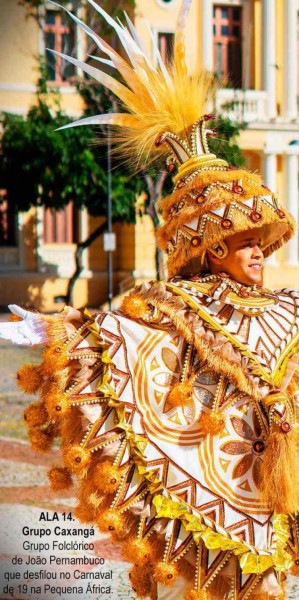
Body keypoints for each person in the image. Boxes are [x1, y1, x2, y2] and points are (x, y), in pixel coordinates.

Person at [1, 1, 299, 598]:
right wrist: (53, 332)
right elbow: (124, 334)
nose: (258, 254)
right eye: (245, 243)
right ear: (214, 250)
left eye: (261, 243)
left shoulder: (290, 305)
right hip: (227, 479)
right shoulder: (180, 305)